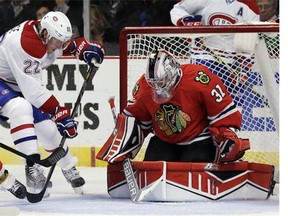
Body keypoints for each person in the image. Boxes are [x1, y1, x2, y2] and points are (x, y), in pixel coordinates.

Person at [0, 11, 104, 197]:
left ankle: (68, 166)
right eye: (57, 41)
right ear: (45, 34)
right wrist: (59, 112)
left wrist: (78, 47)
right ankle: (32, 167)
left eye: (62, 42)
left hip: (16, 81)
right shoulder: (25, 44)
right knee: (20, 108)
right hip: (3, 82)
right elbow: (33, 92)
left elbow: (61, 46)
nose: (58, 47)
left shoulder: (45, 34)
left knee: (47, 127)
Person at [97, 50, 250, 164]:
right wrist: (122, 145)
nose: (158, 88)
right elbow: (136, 121)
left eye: (161, 82)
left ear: (173, 73)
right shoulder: (144, 87)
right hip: (164, 140)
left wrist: (227, 138)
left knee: (194, 166)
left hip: (199, 139)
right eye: (154, 84)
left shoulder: (200, 79)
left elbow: (222, 112)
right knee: (153, 167)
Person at [170, 0, 259, 26]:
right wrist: (184, 20)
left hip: (236, 60)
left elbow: (258, 29)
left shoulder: (250, 5)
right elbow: (178, 8)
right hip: (203, 56)